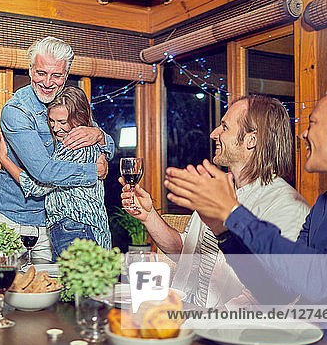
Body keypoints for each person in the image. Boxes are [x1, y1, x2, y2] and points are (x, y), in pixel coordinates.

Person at [164, 85, 327, 332]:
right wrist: (224, 233)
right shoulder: (323, 205)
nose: (303, 134)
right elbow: (277, 293)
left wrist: (233, 213)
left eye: (312, 122)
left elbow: (322, 279)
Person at [121, 95, 309, 308]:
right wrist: (149, 216)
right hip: (188, 313)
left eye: (225, 127)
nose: (213, 134)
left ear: (251, 140)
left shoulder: (286, 206)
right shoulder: (218, 188)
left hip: (227, 331)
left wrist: (206, 325)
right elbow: (187, 251)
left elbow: (268, 294)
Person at [0, 36, 114, 263]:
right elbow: (44, 172)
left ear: (66, 75)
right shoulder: (17, 111)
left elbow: (108, 146)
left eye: (56, 75)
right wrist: (92, 172)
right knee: (8, 289)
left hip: (52, 221)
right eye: (41, 73)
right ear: (30, 70)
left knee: (52, 292)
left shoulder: (70, 104)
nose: (48, 82)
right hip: (13, 218)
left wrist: (99, 135)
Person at [0, 86, 111, 261]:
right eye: (52, 121)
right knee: (92, 285)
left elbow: (37, 186)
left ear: (79, 118)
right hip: (88, 229)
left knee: (75, 287)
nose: (56, 128)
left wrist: (4, 160)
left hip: (74, 229)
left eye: (62, 122)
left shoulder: (73, 147)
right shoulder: (88, 140)